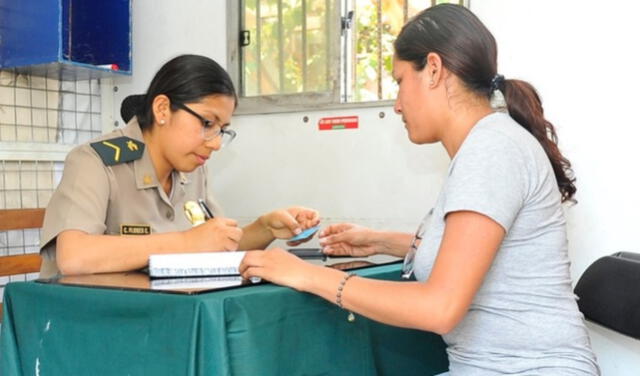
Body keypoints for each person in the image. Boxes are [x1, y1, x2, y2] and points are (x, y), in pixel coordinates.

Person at [239, 4, 599, 375]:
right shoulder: (490, 142)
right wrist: (381, 241)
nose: (396, 105)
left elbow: (439, 308)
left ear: (433, 69)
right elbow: (476, 251)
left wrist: (308, 275)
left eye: (398, 81)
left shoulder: (491, 150)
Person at [40, 54, 319, 278]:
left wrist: (265, 228)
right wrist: (186, 242)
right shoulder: (95, 162)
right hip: (88, 325)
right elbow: (74, 256)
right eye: (207, 123)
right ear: (162, 109)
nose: (216, 143)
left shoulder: (193, 168)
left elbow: (214, 244)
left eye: (222, 129)